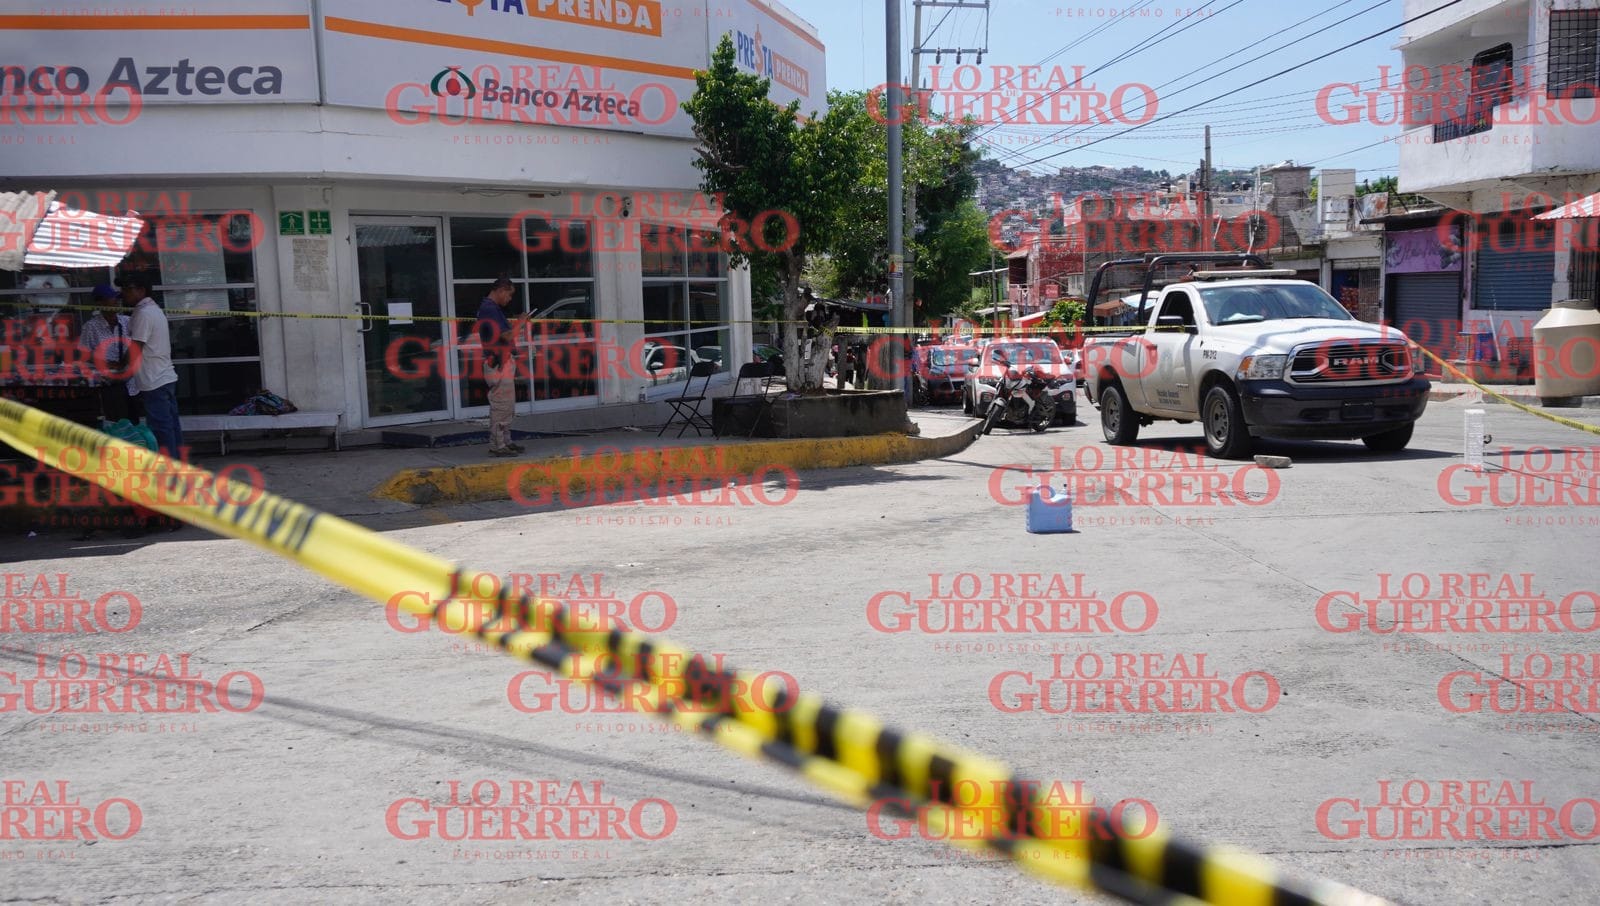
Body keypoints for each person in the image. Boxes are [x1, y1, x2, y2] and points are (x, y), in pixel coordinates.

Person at [120, 272, 183, 459]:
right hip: (163, 377)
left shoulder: (144, 313)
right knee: (170, 426)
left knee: (161, 428)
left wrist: (118, 366)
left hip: (154, 380)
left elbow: (136, 347)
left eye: (127, 289)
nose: (123, 293)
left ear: (141, 290)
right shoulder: (152, 310)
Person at [474, 277, 526, 457]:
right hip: (498, 364)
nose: (509, 299)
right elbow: (506, 336)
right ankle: (497, 445)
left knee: (507, 406)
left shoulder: (491, 308)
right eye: (509, 295)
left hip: (501, 362)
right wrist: (521, 322)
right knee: (501, 406)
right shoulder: (490, 309)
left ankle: (506, 441)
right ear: (501, 290)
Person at [78, 284, 141, 423]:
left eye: (117, 298)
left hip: (131, 384)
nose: (116, 301)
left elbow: (137, 345)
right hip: (108, 387)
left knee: (134, 424)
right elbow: (84, 354)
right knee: (114, 424)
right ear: (100, 303)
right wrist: (105, 363)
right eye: (111, 298)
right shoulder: (91, 327)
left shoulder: (127, 322)